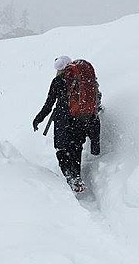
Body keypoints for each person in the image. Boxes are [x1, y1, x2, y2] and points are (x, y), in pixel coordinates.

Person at [33, 55, 101, 192]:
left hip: (63, 122)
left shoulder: (58, 81)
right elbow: (96, 98)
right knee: (76, 149)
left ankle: (70, 178)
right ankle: (77, 178)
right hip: (82, 120)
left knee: (62, 151)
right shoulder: (84, 80)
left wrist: (38, 118)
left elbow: (49, 104)